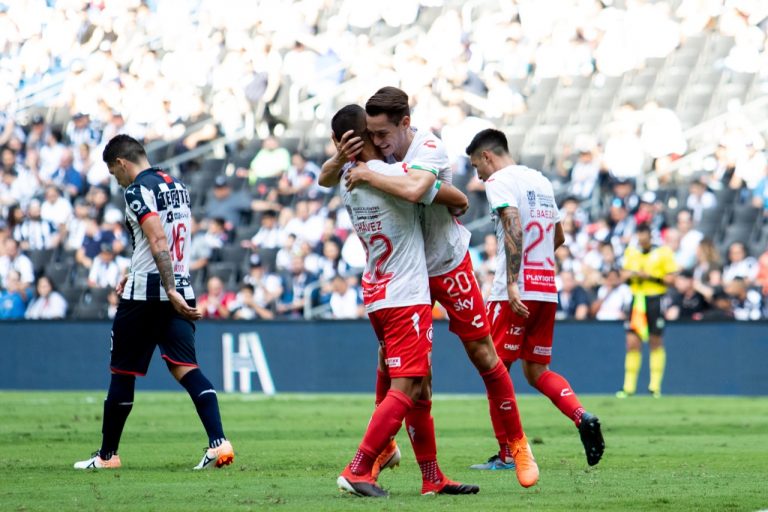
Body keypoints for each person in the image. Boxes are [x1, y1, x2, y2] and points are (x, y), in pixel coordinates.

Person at [322, 87, 535, 481]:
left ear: (405, 124)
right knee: (414, 377)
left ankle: (518, 447)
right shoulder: (379, 159)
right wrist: (347, 161)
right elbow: (328, 176)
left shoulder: (428, 148)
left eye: (384, 134)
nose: (380, 143)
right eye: (372, 135)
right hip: (409, 275)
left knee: (483, 354)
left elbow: (427, 191)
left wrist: (369, 171)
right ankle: (427, 474)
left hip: (446, 265)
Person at [332, 105, 480, 497]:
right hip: (405, 295)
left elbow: (327, 175)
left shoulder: (348, 178)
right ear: (360, 139)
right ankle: (359, 467)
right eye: (374, 135)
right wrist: (459, 197)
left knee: (421, 389)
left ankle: (432, 476)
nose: (383, 142)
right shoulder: (388, 173)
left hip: (378, 292)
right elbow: (436, 190)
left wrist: (344, 161)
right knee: (409, 386)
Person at [74, 135, 234, 471]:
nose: (117, 180)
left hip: (148, 296)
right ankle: (219, 443)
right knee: (186, 369)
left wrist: (166, 285)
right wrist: (139, 273)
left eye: (114, 172)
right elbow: (158, 242)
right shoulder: (177, 185)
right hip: (179, 288)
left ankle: (107, 456)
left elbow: (157, 237)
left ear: (121, 163)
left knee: (122, 372)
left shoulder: (136, 190)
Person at [465, 128, 605, 467]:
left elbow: (512, 224)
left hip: (513, 292)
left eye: (475, 165)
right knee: (537, 370)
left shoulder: (499, 180)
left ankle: (508, 454)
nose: (477, 174)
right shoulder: (540, 181)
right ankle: (581, 416)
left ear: (488, 156)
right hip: (546, 288)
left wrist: (513, 280)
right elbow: (558, 234)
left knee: (493, 370)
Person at [619, 223, 678, 399]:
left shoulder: (663, 252)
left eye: (644, 234)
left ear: (650, 236)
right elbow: (623, 275)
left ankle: (655, 387)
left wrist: (650, 276)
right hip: (637, 300)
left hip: (655, 299)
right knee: (632, 342)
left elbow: (671, 278)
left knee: (655, 340)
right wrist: (633, 274)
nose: (641, 238)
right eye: (639, 234)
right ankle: (628, 387)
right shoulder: (631, 252)